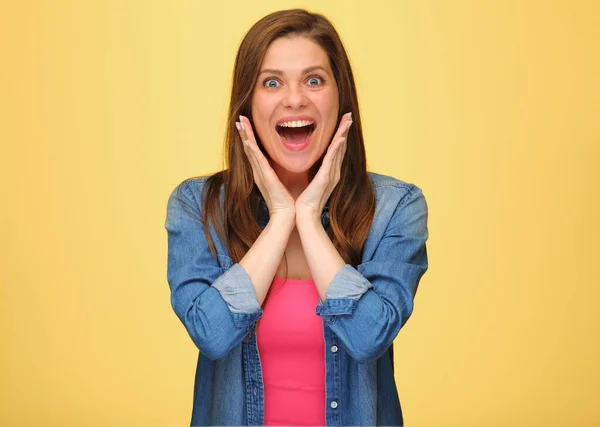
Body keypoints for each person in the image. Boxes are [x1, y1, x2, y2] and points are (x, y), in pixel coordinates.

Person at [164, 8, 429, 427]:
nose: (294, 98)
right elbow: (211, 334)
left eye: (314, 80)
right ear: (247, 103)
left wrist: (307, 216)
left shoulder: (396, 207)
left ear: (340, 95)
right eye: (272, 82)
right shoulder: (198, 206)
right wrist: (280, 218)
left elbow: (368, 336)